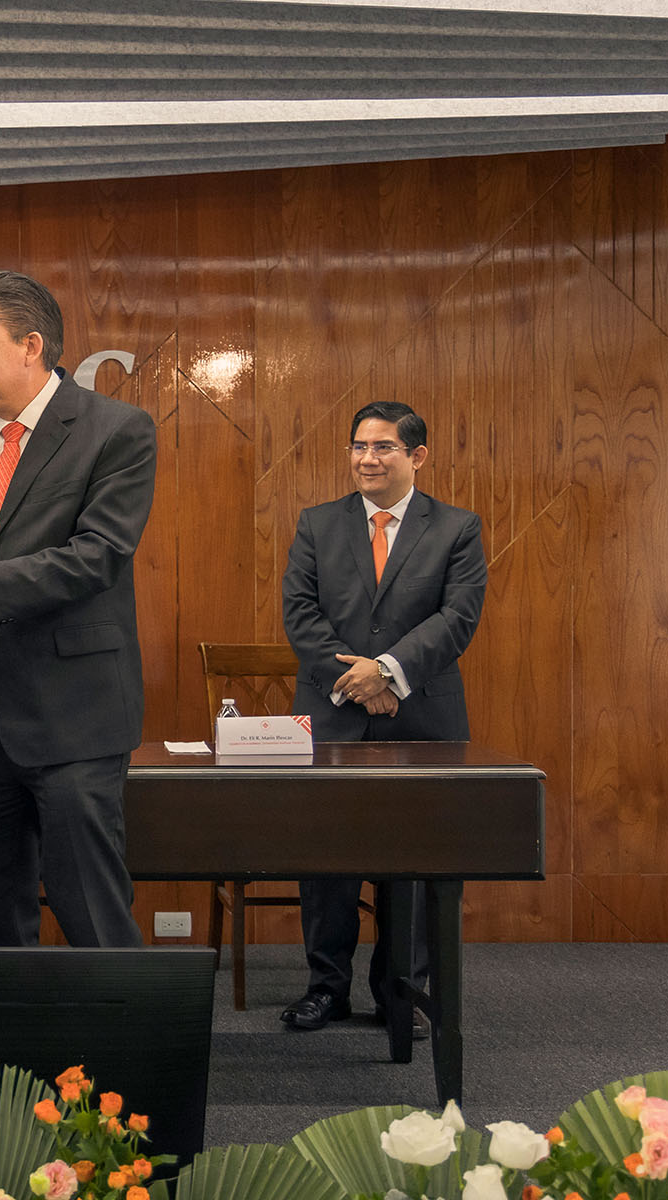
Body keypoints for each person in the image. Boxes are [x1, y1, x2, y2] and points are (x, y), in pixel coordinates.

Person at [0, 271, 157, 947]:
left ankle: (123, 1054)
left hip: (72, 723)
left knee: (94, 921)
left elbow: (99, 554)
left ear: (29, 346)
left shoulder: (116, 431)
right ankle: (10, 1055)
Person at [279, 399, 487, 1032]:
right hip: (333, 715)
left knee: (416, 864)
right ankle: (326, 988)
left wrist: (390, 672)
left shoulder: (456, 527)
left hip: (421, 717)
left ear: (416, 456)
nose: (367, 459)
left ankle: (402, 991)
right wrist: (360, 683)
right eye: (358, 447)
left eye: (383, 448)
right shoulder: (317, 523)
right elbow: (299, 613)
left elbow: (458, 617)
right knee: (325, 863)